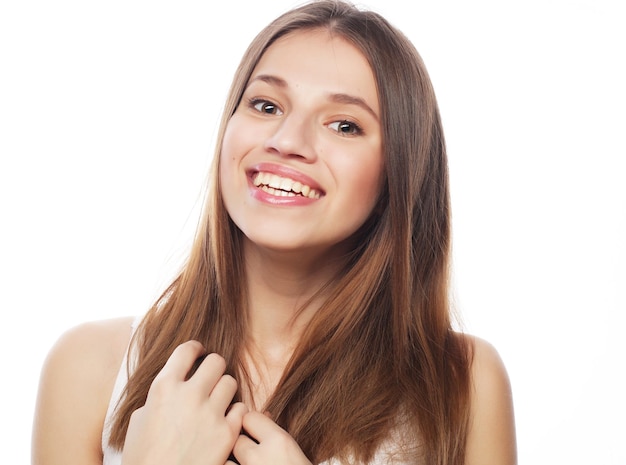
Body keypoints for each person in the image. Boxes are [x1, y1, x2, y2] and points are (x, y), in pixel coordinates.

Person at [32, 1, 517, 464]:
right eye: (266, 105)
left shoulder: (463, 384)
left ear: (401, 169)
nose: (286, 141)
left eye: (344, 125)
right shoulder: (88, 367)